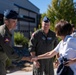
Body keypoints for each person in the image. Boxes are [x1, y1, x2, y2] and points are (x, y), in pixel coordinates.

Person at [0, 10, 31, 75]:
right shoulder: (4, 34)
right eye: (13, 21)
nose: (16, 23)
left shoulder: (3, 29)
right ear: (6, 21)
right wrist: (27, 58)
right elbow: (11, 54)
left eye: (16, 21)